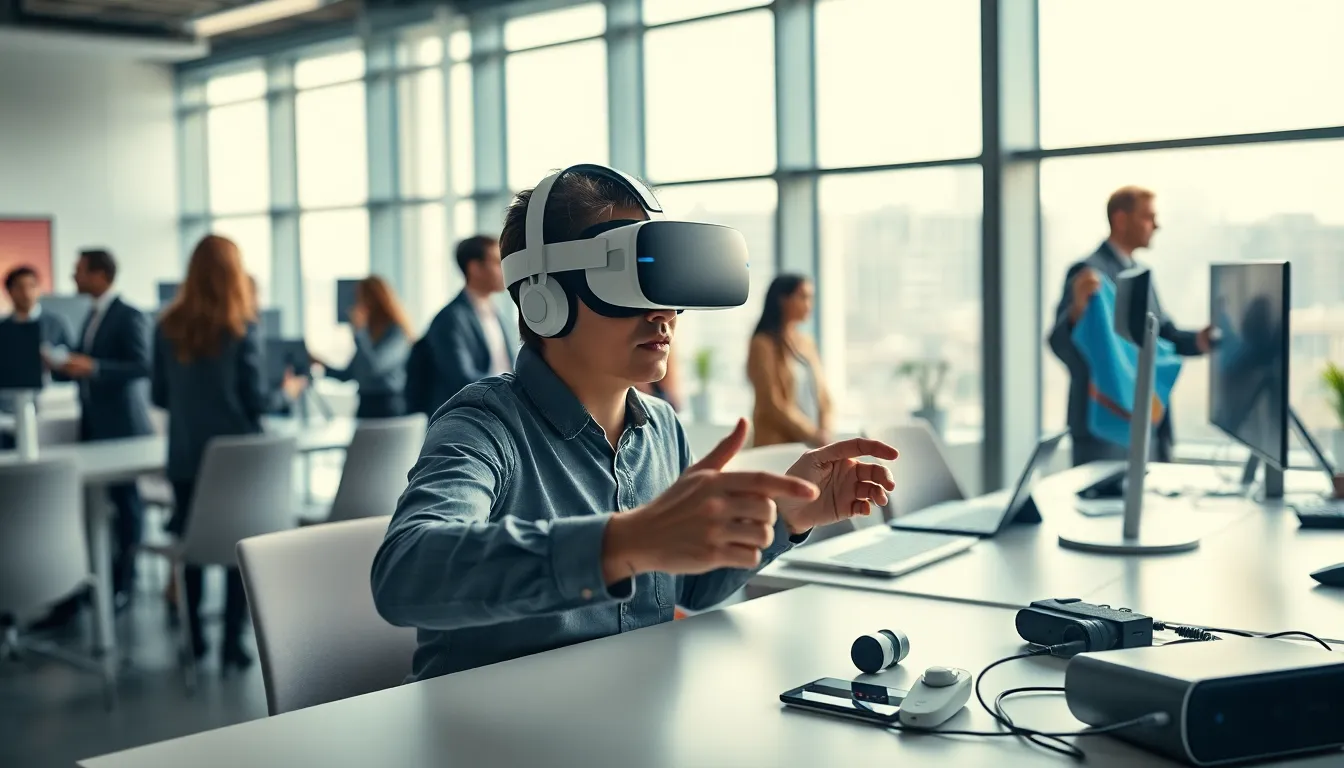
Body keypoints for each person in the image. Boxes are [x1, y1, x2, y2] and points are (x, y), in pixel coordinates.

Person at [371, 165, 898, 682]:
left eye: (662, 281)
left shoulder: (662, 428)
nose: (663, 311)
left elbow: (690, 587)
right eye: (625, 281)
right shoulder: (485, 425)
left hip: (629, 718)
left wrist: (788, 517)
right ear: (543, 299)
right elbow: (406, 575)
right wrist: (621, 543)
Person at [152, 235, 269, 669]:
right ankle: (232, 644)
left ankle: (194, 637)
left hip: (185, 456)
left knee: (193, 546)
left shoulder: (166, 325)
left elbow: (159, 394)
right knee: (238, 549)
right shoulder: (242, 326)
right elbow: (255, 399)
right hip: (239, 459)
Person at [1048, 186, 1213, 466]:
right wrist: (1077, 311)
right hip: (1102, 430)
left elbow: (1163, 334)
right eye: (1148, 217)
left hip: (1144, 421)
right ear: (1121, 219)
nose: (1156, 225)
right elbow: (1058, 342)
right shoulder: (1087, 274)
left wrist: (1200, 340)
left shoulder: (1141, 275)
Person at [54, 248, 154, 609]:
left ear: (100, 274)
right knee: (102, 504)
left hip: (123, 425)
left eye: (78, 270)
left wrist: (94, 368)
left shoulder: (128, 315)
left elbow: (142, 366)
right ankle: (103, 576)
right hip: (95, 421)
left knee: (127, 503)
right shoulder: (92, 315)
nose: (73, 277)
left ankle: (125, 580)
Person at [419, 235, 514, 415]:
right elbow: (462, 379)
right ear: (475, 268)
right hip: (468, 416)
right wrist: (513, 392)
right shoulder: (450, 319)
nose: (504, 268)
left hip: (499, 411)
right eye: (496, 262)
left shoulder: (498, 316)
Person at [747, 275, 832, 447]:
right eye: (802, 297)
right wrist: (811, 433)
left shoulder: (807, 343)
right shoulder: (762, 344)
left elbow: (823, 396)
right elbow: (771, 403)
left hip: (811, 445)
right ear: (782, 300)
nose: (809, 304)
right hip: (777, 445)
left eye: (810, 297)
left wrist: (824, 432)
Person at [314, 276, 413, 419]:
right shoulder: (369, 336)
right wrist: (320, 364)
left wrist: (359, 332)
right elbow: (349, 374)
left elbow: (374, 367)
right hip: (365, 405)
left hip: (388, 407)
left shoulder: (397, 334)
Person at [1, 266, 75, 425]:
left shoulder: (56, 323)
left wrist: (54, 360)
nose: (26, 293)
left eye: (32, 286)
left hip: (51, 405)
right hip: (8, 408)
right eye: (20, 287)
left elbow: (72, 364)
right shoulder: (3, 328)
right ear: (9, 291)